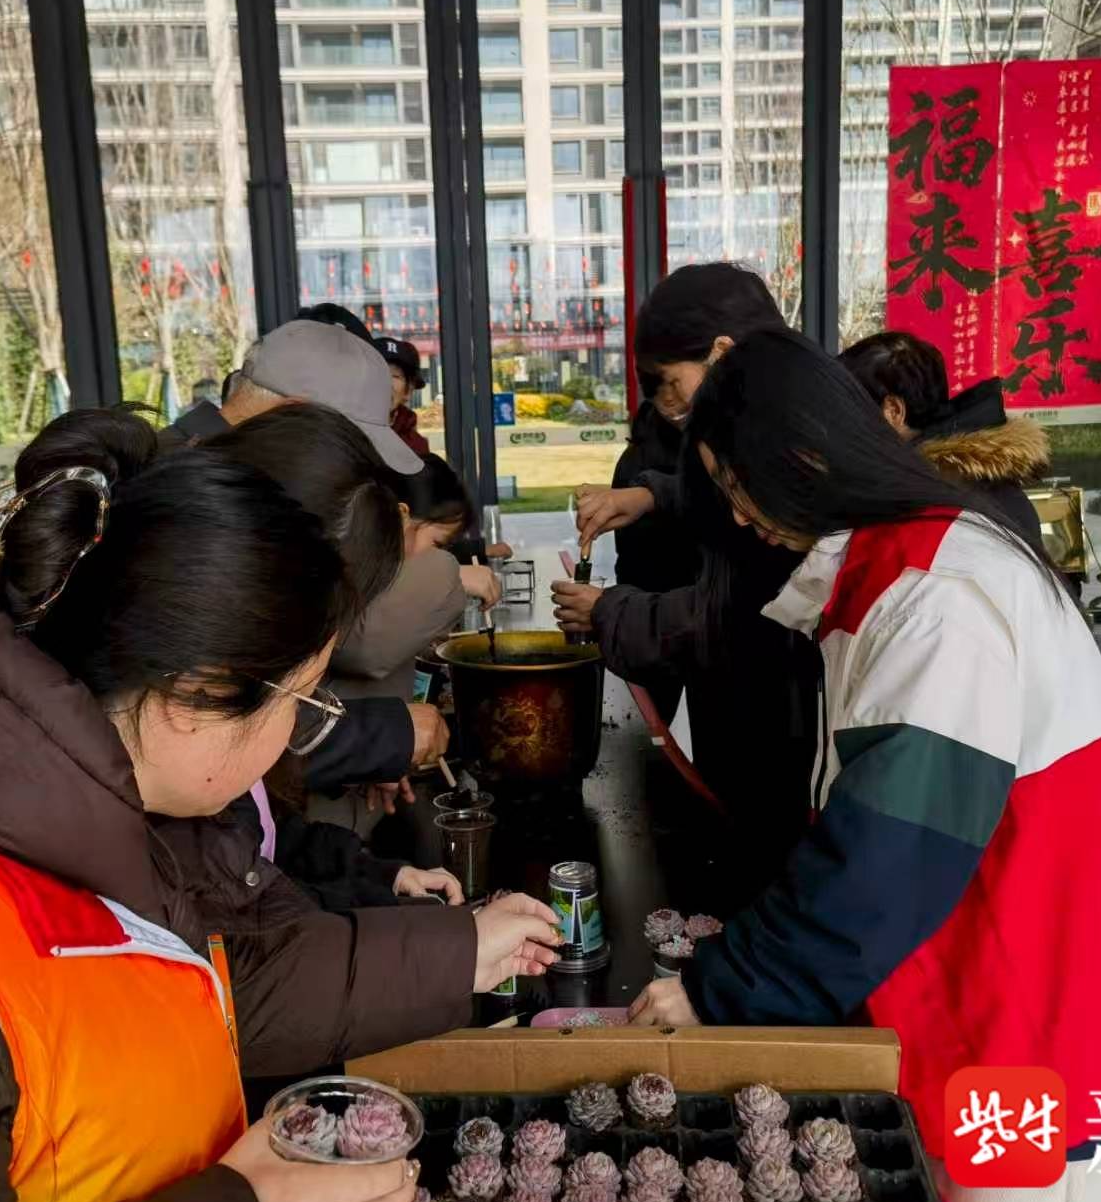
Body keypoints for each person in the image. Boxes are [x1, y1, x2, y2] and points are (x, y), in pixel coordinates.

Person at [0, 408, 561, 1202]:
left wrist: (457, 951)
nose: (295, 740)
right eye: (301, 705)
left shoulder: (87, 826)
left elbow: (198, 995)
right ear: (194, 695)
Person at [625, 330, 1101, 1202]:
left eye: (735, 483)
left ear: (805, 456)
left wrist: (722, 988)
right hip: (1010, 993)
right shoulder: (898, 561)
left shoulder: (934, 598)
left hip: (1060, 1027)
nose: (736, 513)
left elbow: (886, 857)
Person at [551, 264, 820, 870]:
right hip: (752, 695)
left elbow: (735, 612)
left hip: (780, 707)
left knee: (765, 849)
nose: (667, 404)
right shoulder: (767, 418)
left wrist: (609, 612)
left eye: (670, 381)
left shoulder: (784, 440)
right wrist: (648, 495)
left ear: (722, 353)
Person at [162, 318, 451, 803]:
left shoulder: (219, 472)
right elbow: (198, 715)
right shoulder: (186, 498)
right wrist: (377, 737)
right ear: (296, 415)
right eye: (347, 451)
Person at [204, 406, 469, 907]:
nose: (325, 658)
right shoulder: (194, 735)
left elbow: (270, 845)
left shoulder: (230, 701)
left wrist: (378, 876)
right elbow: (248, 925)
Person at [313, 453, 501, 832]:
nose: (437, 556)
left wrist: (384, 747)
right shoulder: (344, 575)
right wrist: (451, 576)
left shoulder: (363, 568)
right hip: (320, 797)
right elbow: (367, 650)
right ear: (399, 514)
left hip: (351, 768)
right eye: (438, 543)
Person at [840, 330, 1049, 544]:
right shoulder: (961, 485)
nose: (839, 428)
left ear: (893, 411)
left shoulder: (931, 501)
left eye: (848, 410)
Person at [161, 318, 420, 475]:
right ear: (295, 412)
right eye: (346, 444)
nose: (347, 467)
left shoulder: (215, 465)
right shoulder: (184, 485)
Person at [375, 335, 431, 457]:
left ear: (408, 391)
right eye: (378, 372)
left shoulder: (417, 447)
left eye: (395, 376)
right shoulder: (344, 435)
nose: (386, 382)